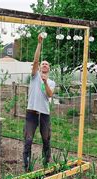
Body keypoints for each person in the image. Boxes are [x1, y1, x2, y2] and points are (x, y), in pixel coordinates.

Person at [23, 33, 56, 171]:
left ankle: (45, 165)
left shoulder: (51, 82)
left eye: (46, 64)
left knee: (46, 140)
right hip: (32, 113)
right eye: (43, 63)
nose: (44, 65)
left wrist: (45, 82)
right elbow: (35, 60)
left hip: (44, 114)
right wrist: (39, 44)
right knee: (28, 140)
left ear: (49, 69)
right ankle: (27, 167)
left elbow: (49, 94)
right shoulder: (34, 76)